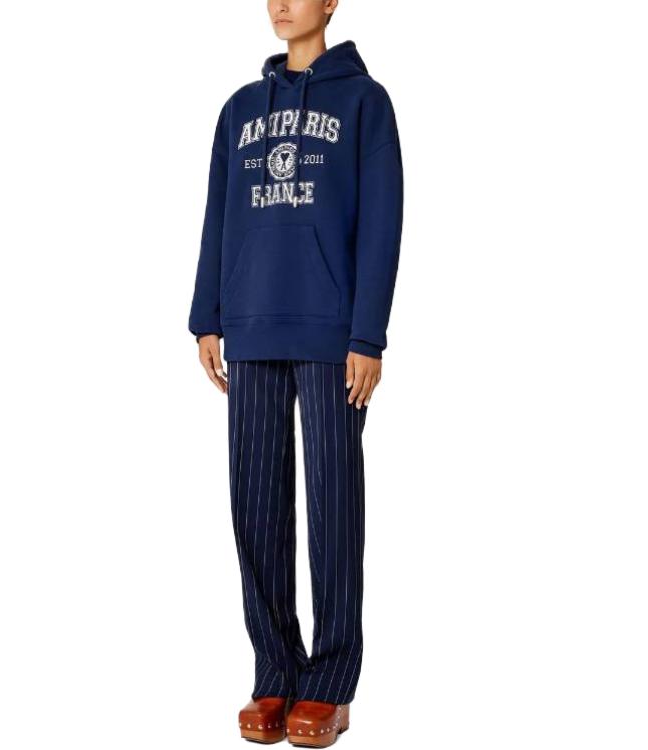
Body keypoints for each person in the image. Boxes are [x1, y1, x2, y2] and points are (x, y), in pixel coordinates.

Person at [188, 1, 403, 745]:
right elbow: (218, 214)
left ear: (331, 1)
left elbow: (382, 222)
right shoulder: (239, 110)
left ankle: (331, 684)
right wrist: (207, 315)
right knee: (255, 504)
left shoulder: (365, 102)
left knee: (333, 503)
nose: (281, 3)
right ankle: (275, 671)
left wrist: (367, 334)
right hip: (249, 324)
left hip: (332, 332)